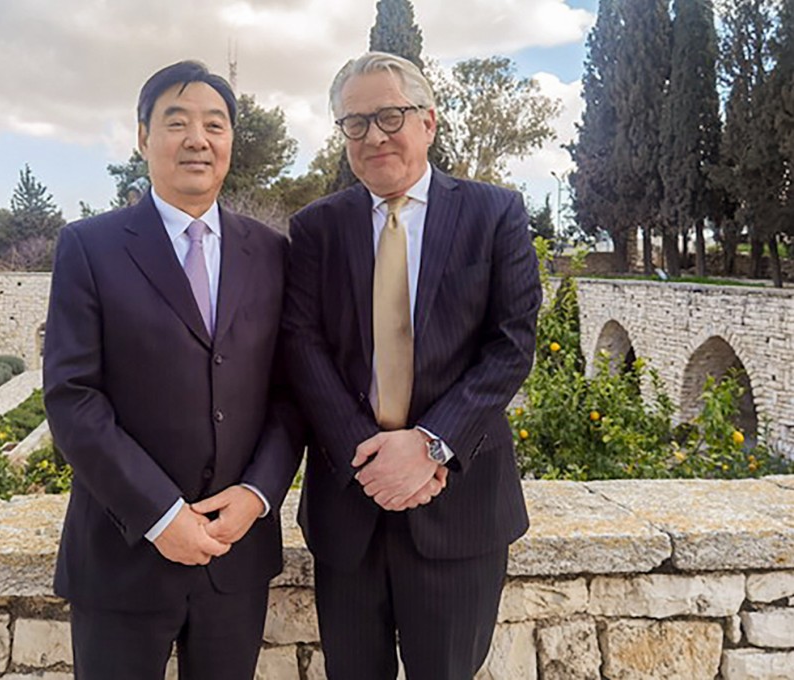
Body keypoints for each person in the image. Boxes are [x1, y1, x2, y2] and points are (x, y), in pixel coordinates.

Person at [282, 52, 541, 679]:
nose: (374, 135)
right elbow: (302, 344)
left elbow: (511, 344)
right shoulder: (316, 228)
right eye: (355, 122)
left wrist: (430, 445)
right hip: (350, 507)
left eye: (390, 116)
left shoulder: (494, 213)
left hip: (461, 507)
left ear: (428, 121)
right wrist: (368, 454)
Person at [43, 60, 303, 680]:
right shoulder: (89, 247)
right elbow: (72, 397)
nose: (198, 139)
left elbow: (291, 394)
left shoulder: (271, 252)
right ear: (142, 137)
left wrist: (258, 494)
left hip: (234, 557)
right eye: (177, 122)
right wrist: (162, 515)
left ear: (231, 143)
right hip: (122, 555)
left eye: (215, 124)